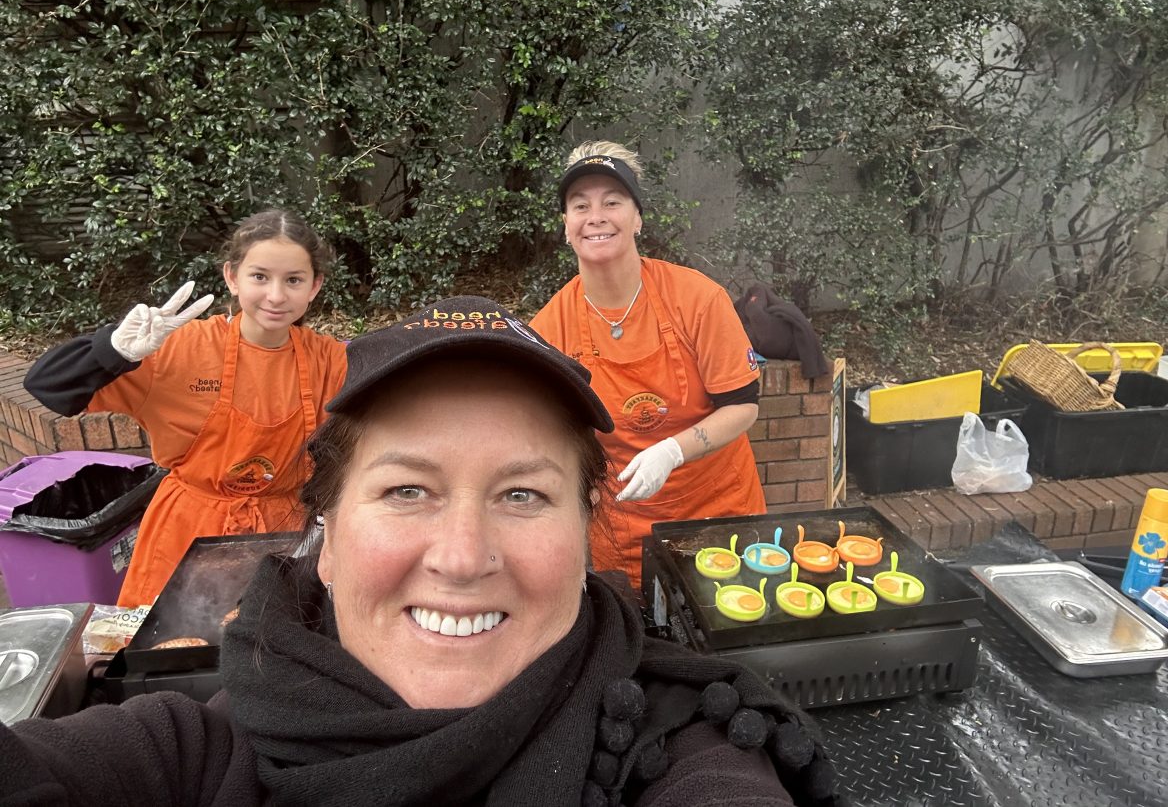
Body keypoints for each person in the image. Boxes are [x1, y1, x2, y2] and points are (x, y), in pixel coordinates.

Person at [1, 296, 846, 807]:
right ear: (322, 537)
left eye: (523, 494)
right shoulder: (189, 757)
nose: (462, 555)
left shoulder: (677, 743)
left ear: (587, 529)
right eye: (408, 490)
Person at [24, 209, 348, 607]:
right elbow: (47, 388)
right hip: (185, 531)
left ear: (315, 286)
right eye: (259, 276)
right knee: (167, 654)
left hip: (285, 533)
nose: (276, 296)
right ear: (232, 277)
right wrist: (112, 350)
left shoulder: (330, 360)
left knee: (271, 649)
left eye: (294, 280)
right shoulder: (177, 349)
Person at [532, 141, 768, 587]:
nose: (596, 216)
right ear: (566, 226)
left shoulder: (698, 298)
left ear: (637, 218)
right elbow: (552, 437)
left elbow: (743, 406)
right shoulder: (550, 328)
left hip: (720, 510)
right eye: (579, 205)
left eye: (612, 202)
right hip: (624, 528)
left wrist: (672, 451)